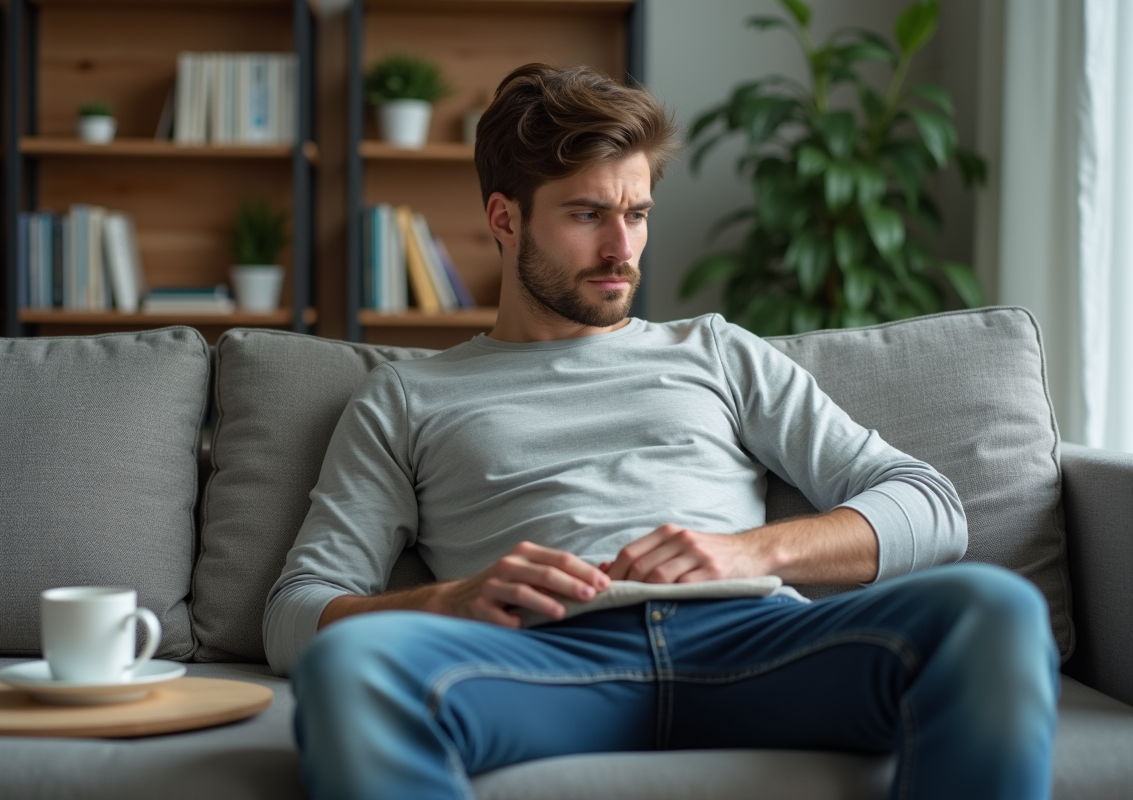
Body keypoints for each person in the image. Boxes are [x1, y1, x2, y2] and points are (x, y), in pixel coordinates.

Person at [264, 63, 1059, 800]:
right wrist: (448, 599)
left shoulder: (714, 349)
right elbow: (296, 614)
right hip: (541, 664)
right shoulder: (405, 395)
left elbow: (930, 504)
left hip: (756, 645)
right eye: (586, 215)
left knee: (993, 608)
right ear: (504, 219)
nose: (622, 250)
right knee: (350, 668)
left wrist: (754, 550)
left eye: (636, 214)